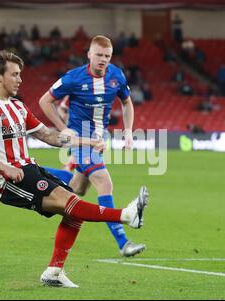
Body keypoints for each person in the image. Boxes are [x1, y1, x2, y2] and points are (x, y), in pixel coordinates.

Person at [0, 50, 149, 288]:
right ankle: (126, 215)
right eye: (15, 74)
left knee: (74, 210)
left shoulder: (18, 107)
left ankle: (54, 272)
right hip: (8, 180)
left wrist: (86, 142)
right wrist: (4, 168)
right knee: (68, 201)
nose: (20, 79)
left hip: (28, 168)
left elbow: (48, 136)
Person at [39, 36, 146, 258]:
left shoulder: (116, 75)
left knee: (78, 188)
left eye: (107, 56)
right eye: (99, 55)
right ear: (89, 54)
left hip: (99, 140)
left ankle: (35, 171)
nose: (103, 60)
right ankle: (123, 242)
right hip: (80, 141)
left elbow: (127, 103)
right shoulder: (73, 78)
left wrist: (128, 131)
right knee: (104, 182)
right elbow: (44, 101)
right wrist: (62, 128)